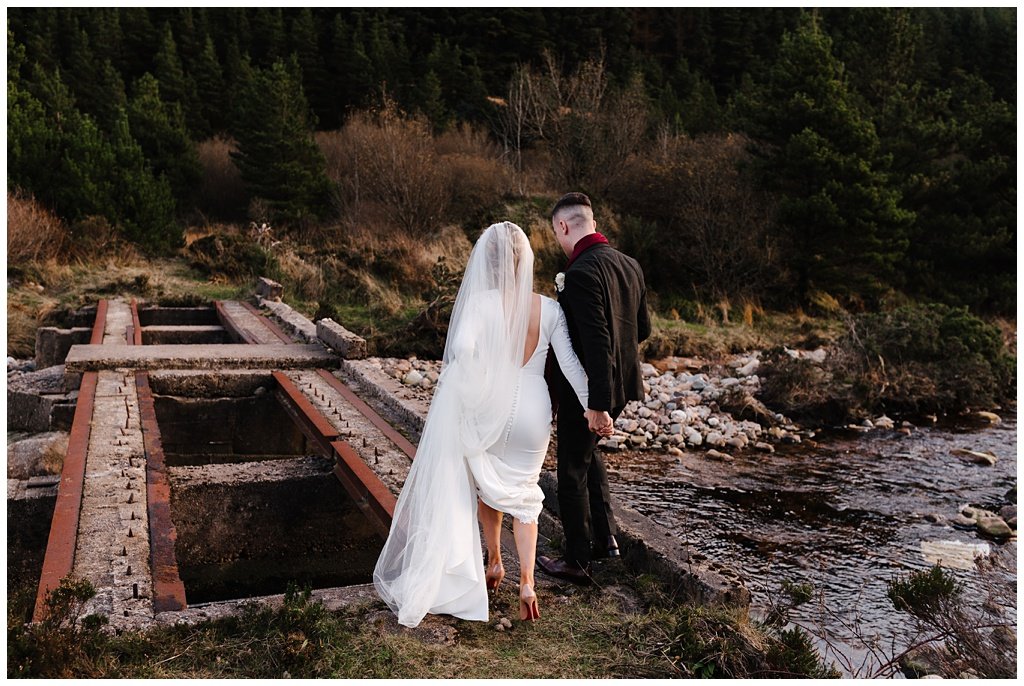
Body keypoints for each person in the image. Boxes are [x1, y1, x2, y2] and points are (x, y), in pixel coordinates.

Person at [373, 221, 598, 628]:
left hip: (489, 407)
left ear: (488, 262)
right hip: (533, 410)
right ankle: (527, 584)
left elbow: (460, 350)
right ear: (525, 260)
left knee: (487, 485)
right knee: (526, 498)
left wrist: (474, 375)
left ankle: (494, 562)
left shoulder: (479, 304)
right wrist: (593, 409)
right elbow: (570, 366)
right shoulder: (548, 308)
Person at [537, 192, 651, 585]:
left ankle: (576, 560)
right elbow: (643, 329)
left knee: (569, 470)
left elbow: (598, 342)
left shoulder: (581, 273)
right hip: (622, 386)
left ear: (564, 226)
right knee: (589, 457)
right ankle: (606, 540)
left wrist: (595, 404)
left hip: (588, 392)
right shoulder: (630, 264)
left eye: (556, 233)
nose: (558, 239)